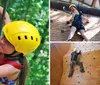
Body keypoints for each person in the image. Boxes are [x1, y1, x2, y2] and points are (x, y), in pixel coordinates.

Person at [0, 21, 40, 85]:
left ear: (18, 50)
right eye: (4, 36)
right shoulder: (7, 51)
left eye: (8, 42)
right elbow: (5, 18)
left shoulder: (12, 67)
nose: (1, 41)